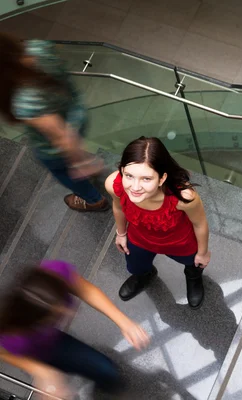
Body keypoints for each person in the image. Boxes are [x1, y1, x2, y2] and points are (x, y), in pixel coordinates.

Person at [0, 260, 150, 399]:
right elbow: (5, 353)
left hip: (55, 341)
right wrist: (40, 371)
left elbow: (86, 290)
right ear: (34, 320)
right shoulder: (11, 336)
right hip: (35, 352)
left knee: (106, 369)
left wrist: (122, 320)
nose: (69, 312)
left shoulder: (54, 273)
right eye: (55, 316)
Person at [0, 33, 108, 212]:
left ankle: (94, 200)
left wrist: (81, 163)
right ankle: (93, 172)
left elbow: (62, 137)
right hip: (76, 114)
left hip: (54, 147)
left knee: (63, 172)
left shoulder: (25, 102)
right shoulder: (38, 47)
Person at [105, 137, 210, 309]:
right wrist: (121, 233)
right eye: (129, 175)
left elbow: (200, 224)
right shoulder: (113, 184)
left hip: (179, 243)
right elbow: (118, 207)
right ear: (122, 170)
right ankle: (144, 275)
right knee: (136, 265)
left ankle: (193, 277)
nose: (135, 187)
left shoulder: (184, 197)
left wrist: (203, 252)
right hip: (139, 239)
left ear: (162, 179)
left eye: (146, 179)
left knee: (193, 264)